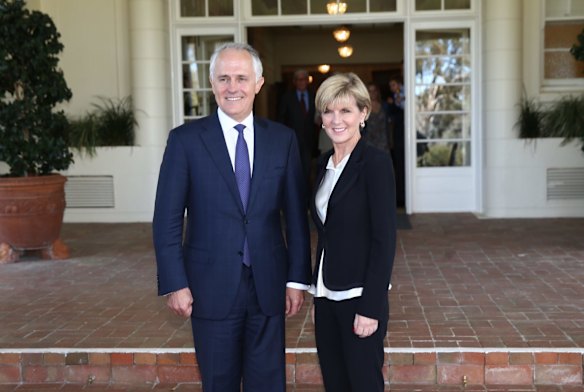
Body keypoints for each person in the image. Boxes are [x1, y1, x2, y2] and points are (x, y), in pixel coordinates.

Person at [152, 42, 312, 392]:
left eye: (242, 78)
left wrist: (297, 279)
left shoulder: (282, 140)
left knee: (268, 383)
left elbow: (296, 217)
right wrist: (175, 282)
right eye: (223, 78)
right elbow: (166, 219)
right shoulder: (185, 141)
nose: (232, 87)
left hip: (269, 286)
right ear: (212, 85)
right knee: (219, 382)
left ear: (258, 83)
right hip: (209, 287)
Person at [309, 72, 397, 391]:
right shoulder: (323, 166)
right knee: (335, 383)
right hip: (327, 295)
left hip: (359, 297)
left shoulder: (375, 164)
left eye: (345, 110)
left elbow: (384, 240)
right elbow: (327, 234)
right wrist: (319, 295)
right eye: (329, 111)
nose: (336, 119)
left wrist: (371, 307)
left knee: (363, 383)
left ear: (363, 114)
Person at [277, 69, 317, 186]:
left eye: (304, 79)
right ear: (295, 82)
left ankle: (306, 198)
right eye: (299, 80)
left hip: (309, 140)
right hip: (292, 140)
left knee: (308, 170)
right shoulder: (287, 98)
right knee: (293, 170)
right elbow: (281, 118)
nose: (302, 82)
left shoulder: (314, 96)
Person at [387, 77, 405, 206]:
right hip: (397, 136)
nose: (392, 88)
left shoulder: (406, 94)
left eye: (394, 84)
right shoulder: (391, 101)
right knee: (398, 166)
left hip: (407, 135)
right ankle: (399, 198)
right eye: (391, 86)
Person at [361, 82, 391, 153]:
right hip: (369, 143)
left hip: (384, 143)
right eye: (370, 91)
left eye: (374, 90)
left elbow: (390, 124)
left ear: (377, 92)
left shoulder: (385, 106)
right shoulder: (363, 108)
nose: (372, 93)